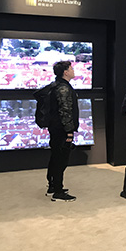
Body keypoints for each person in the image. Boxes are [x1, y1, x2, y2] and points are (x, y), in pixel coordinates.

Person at [46, 61, 79, 202]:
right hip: (62, 130)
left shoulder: (56, 86)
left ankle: (52, 186)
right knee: (61, 160)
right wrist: (69, 132)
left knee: (55, 157)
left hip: (55, 128)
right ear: (65, 72)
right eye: (71, 68)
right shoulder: (64, 89)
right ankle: (58, 191)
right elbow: (65, 112)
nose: (73, 70)